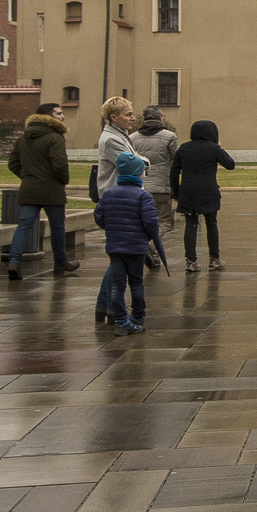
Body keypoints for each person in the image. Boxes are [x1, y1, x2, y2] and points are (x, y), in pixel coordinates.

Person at [6, 102, 79, 278]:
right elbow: (60, 164)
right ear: (48, 117)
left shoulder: (24, 137)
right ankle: (60, 263)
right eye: (59, 113)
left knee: (23, 226)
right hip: (52, 190)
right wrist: (63, 181)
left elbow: (13, 164)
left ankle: (14, 262)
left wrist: (28, 177)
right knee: (57, 227)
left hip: (29, 189)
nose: (63, 116)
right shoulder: (55, 137)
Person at [94, 151, 161, 336]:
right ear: (138, 173)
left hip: (115, 247)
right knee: (136, 283)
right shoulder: (143, 196)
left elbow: (99, 217)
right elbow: (151, 222)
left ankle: (121, 320)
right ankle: (138, 317)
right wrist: (147, 236)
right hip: (136, 247)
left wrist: (112, 229)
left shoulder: (109, 194)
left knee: (118, 285)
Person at [92, 97, 144, 323]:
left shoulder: (120, 135)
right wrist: (144, 162)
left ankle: (105, 306)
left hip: (121, 199)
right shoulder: (112, 139)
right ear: (114, 117)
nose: (133, 118)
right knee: (120, 257)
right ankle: (108, 306)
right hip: (119, 200)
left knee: (119, 257)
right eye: (128, 114)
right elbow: (135, 164)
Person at [173, 119, 236, 271]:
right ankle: (214, 258)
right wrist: (220, 148)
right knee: (211, 223)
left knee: (191, 225)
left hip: (188, 190)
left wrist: (176, 193)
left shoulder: (184, 148)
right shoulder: (213, 149)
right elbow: (230, 165)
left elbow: (174, 173)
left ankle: (191, 261)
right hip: (208, 190)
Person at [130, 107, 180, 234]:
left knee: (142, 220)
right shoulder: (170, 136)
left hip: (140, 186)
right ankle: (152, 246)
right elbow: (177, 159)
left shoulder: (132, 138)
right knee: (164, 221)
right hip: (161, 186)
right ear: (160, 118)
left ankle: (144, 246)